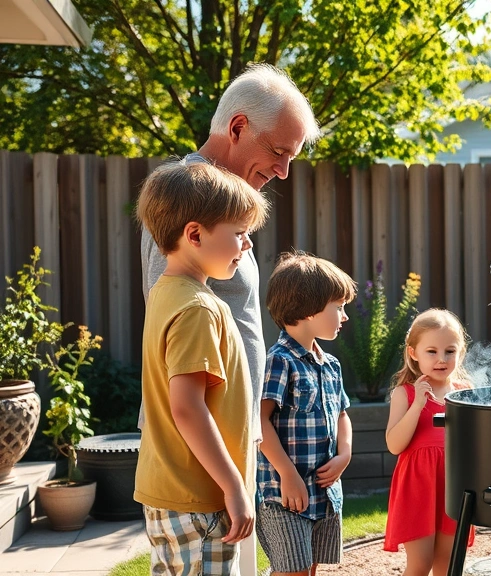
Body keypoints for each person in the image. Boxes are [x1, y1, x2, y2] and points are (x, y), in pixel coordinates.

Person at [139, 64, 319, 576]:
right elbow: (178, 350)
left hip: (225, 446)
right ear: (237, 128)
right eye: (279, 152)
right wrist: (229, 480)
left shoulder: (220, 207)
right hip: (202, 466)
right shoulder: (191, 202)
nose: (284, 172)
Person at [133, 161, 269, 575]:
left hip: (172, 491)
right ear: (195, 234)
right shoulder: (197, 309)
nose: (247, 246)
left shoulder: (166, 292)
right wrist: (234, 487)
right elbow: (188, 408)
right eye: (240, 234)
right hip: (198, 499)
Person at [256, 251, 357, 576]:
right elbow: (259, 420)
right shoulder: (280, 361)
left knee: (309, 569)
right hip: (285, 493)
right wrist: (288, 474)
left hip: (322, 491)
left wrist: (345, 454)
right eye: (338, 307)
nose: (344, 316)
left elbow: (342, 414)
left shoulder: (331, 365)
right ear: (307, 308)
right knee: (292, 571)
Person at [383, 309, 475, 576]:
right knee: (420, 564)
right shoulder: (405, 393)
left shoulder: (465, 392)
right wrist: (418, 405)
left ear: (460, 352)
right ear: (413, 353)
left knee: (449, 564)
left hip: (454, 485)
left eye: (450, 351)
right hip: (418, 487)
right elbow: (394, 445)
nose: (441, 359)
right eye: (431, 351)